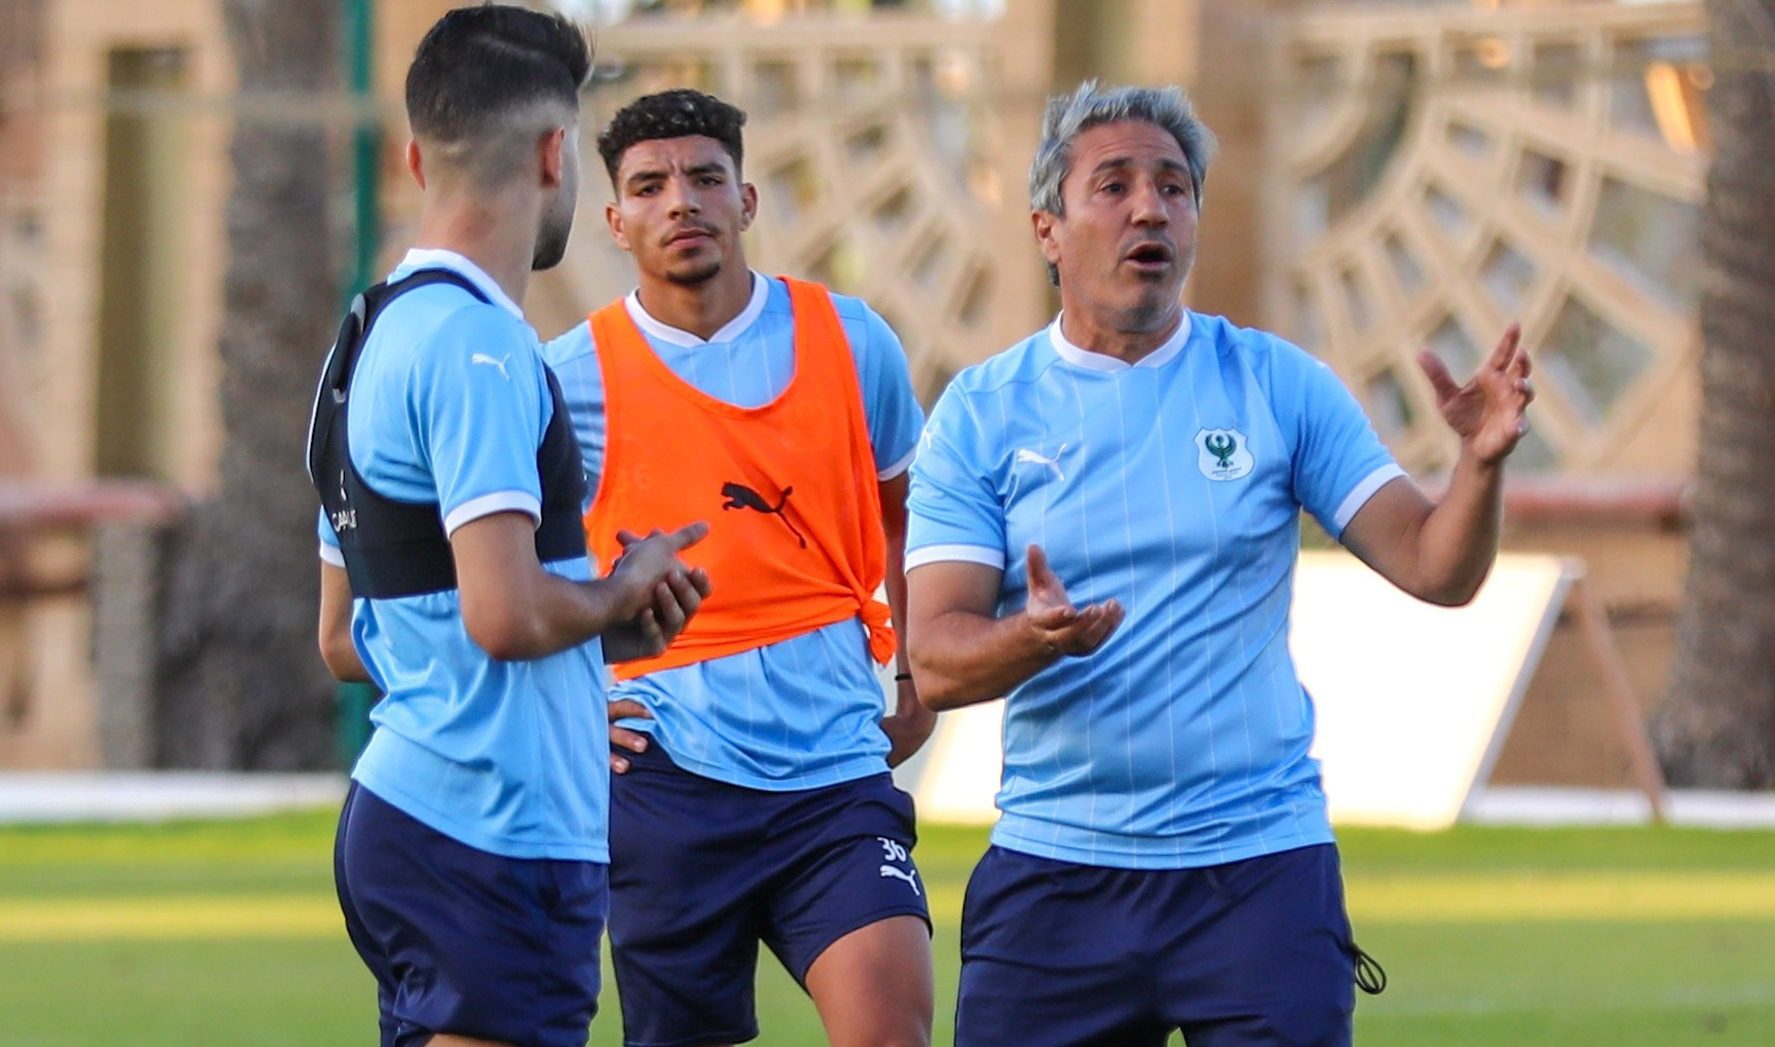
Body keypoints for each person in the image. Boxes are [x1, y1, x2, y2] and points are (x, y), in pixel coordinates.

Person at [904, 81, 1534, 1047]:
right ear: (1047, 228)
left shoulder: (1278, 385)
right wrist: (1031, 639)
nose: (1148, 207)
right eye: (1111, 186)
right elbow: (938, 661)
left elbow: (1435, 568)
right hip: (1055, 876)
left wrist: (1477, 467)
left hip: (1257, 876)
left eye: (1172, 186)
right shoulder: (981, 414)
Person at [309, 9, 709, 1047]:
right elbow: (499, 614)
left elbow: (351, 636)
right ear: (551, 152)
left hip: (404, 819)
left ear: (413, 155)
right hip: (489, 830)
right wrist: (620, 589)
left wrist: (603, 635)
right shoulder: (481, 347)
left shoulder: (362, 343)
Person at [541, 88, 936, 1047]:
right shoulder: (566, 378)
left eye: (704, 177)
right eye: (650, 185)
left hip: (837, 773)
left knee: (890, 1030)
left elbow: (912, 521)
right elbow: (502, 574)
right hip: (662, 781)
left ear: (747, 200)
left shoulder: (853, 340)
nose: (681, 201)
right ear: (615, 219)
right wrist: (563, 707)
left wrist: (918, 676)